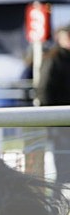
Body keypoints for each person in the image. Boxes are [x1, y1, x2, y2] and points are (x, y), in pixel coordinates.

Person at [37, 24, 70, 185]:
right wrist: (49, 118)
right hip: (59, 119)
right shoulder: (53, 59)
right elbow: (44, 89)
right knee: (62, 159)